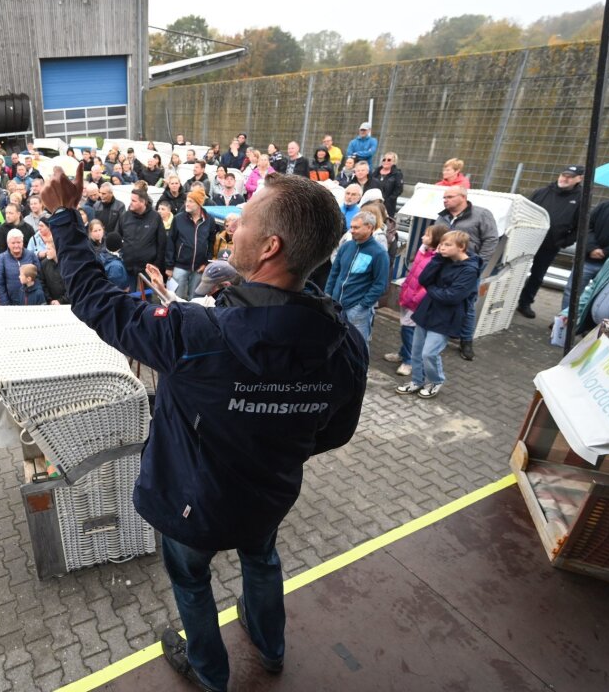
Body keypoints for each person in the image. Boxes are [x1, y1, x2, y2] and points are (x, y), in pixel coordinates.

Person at [41, 166, 367, 692]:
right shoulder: (345, 342)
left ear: (269, 248)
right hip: (268, 497)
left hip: (192, 506)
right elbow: (336, 431)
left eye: (243, 220)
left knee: (192, 583)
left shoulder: (198, 334)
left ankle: (210, 673)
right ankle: (270, 646)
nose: (232, 224)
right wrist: (274, 440)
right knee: (262, 560)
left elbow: (98, 303)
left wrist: (63, 218)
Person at [396, 231, 483, 399]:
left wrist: (431, 288)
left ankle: (435, 381)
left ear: (461, 247)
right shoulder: (443, 260)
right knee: (416, 350)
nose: (442, 247)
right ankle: (417, 380)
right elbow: (424, 279)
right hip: (427, 311)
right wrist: (436, 259)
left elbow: (452, 296)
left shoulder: (470, 270)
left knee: (429, 353)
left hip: (446, 317)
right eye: (441, 244)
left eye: (447, 245)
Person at [435, 186, 498, 360]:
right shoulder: (442, 216)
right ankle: (442, 334)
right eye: (444, 197)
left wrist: (478, 263)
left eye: (449, 196)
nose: (445, 200)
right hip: (445, 267)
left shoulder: (481, 214)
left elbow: (491, 239)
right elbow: (436, 238)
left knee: (467, 305)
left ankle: (466, 341)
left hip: (467, 269)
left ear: (463, 197)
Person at [517, 165, 585, 318]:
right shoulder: (542, 192)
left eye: (570, 176)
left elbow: (581, 226)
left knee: (537, 275)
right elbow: (524, 211)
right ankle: (506, 299)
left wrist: (563, 242)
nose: (565, 178)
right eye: (563, 175)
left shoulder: (581, 199)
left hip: (550, 245)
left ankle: (525, 303)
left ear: (579, 179)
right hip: (527, 240)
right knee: (515, 270)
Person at [387, 224, 448, 377]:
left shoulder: (437, 260)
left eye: (427, 235)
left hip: (416, 303)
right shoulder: (424, 253)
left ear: (436, 239)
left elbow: (428, 284)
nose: (422, 237)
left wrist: (414, 299)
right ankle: (403, 353)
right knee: (406, 329)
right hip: (409, 297)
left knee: (408, 331)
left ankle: (409, 361)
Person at [325, 211, 390, 347]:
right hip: (337, 306)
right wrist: (328, 295)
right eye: (351, 227)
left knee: (358, 346)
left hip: (357, 310)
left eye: (356, 227)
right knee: (336, 343)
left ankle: (360, 369)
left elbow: (380, 284)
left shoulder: (379, 253)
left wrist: (362, 305)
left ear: (369, 228)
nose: (352, 231)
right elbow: (334, 273)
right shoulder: (346, 246)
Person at [167, 188, 216, 300]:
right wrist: (169, 266)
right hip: (180, 266)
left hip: (199, 267)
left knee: (195, 299)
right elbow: (170, 242)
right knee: (174, 298)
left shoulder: (209, 220)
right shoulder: (178, 219)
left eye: (190, 201)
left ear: (199, 203)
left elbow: (211, 242)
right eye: (186, 201)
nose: (187, 204)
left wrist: (206, 262)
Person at [116, 188, 167, 283]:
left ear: (143, 202)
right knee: (129, 296)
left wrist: (157, 264)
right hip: (128, 266)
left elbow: (162, 242)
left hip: (148, 268)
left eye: (134, 200)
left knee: (147, 296)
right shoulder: (125, 217)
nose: (130, 203)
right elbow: (117, 238)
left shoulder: (155, 217)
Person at [0, 229, 40, 306]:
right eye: (13, 243)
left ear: (22, 243)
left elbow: (39, 277)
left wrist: (37, 296)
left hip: (32, 302)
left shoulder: (31, 255)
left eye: (18, 242)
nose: (16, 245)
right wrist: (6, 304)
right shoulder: (2, 258)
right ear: (8, 244)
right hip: (11, 303)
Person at [372, 153, 404, 218]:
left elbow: (399, 190)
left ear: (394, 162)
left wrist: (388, 200)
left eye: (389, 160)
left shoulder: (397, 174)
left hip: (388, 206)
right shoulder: (376, 172)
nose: (386, 161)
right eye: (384, 159)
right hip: (373, 203)